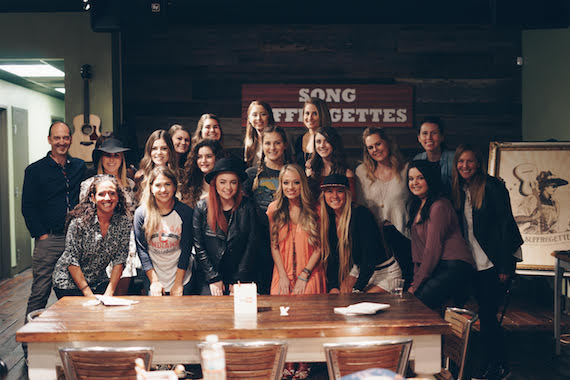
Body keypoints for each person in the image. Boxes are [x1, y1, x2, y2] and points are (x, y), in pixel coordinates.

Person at [452, 144, 523, 380]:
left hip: (494, 263)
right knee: (483, 316)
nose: (465, 166)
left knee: (489, 316)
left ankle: (500, 365)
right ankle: (487, 362)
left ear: (478, 163)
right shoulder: (460, 189)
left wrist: (504, 266)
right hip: (473, 263)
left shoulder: (492, 186)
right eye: (461, 161)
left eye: (470, 161)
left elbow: (505, 226)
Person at [22, 120, 86, 321]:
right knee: (40, 292)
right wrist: (41, 235)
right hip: (49, 239)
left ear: (71, 139)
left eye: (65, 137)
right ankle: (29, 347)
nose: (61, 142)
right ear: (49, 140)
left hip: (75, 239)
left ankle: (74, 338)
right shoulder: (34, 170)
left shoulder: (79, 166)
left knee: (76, 290)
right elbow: (28, 206)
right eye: (57, 137)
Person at [267, 164, 325, 379]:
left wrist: (304, 274)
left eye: (296, 182)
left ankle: (304, 362)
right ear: (280, 185)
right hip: (282, 270)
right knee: (282, 315)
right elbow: (273, 245)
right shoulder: (274, 209)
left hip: (309, 269)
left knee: (305, 314)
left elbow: (320, 247)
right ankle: (287, 360)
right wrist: (282, 274)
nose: (291, 187)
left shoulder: (315, 209)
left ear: (303, 184)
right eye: (286, 183)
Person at [406, 160, 474, 310]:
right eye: (411, 179)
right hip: (439, 266)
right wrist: (415, 280)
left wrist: (417, 284)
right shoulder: (417, 206)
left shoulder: (439, 206)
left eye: (420, 178)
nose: (414, 183)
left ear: (430, 179)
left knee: (418, 303)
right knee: (415, 301)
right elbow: (418, 251)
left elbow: (432, 250)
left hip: (454, 266)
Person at [319, 174, 401, 293]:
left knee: (356, 305)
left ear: (347, 194)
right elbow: (333, 258)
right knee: (340, 297)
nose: (334, 196)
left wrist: (357, 289)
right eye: (329, 191)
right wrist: (333, 287)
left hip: (385, 273)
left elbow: (369, 257)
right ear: (324, 195)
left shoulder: (361, 214)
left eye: (340, 191)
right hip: (360, 271)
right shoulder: (330, 219)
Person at [52, 175, 131, 298]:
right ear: (93, 198)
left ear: (118, 197)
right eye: (102, 194)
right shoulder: (79, 223)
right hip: (68, 283)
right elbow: (71, 260)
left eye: (112, 193)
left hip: (98, 281)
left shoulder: (124, 223)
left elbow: (120, 259)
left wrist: (109, 293)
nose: (107, 198)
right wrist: (87, 293)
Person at [355, 127, 413, 288]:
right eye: (370, 147)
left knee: (405, 290)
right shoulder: (361, 172)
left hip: (404, 239)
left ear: (388, 143)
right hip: (376, 243)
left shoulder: (406, 169)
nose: (375, 150)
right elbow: (360, 209)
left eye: (378, 144)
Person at [79, 138, 138, 295]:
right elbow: (85, 218)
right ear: (101, 158)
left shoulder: (130, 185)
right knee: (99, 294)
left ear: (122, 159)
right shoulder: (88, 184)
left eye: (116, 155)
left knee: (121, 294)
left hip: (125, 243)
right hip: (98, 243)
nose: (112, 160)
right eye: (107, 155)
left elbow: (133, 216)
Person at [192, 157, 257, 295]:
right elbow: (199, 246)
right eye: (223, 182)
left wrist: (239, 279)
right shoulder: (202, 207)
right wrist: (213, 277)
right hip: (211, 275)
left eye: (233, 182)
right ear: (215, 184)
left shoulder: (248, 206)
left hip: (241, 273)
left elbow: (251, 245)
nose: (228, 187)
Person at [244, 126, 293, 294]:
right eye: (268, 143)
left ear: (285, 145)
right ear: (262, 145)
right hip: (259, 242)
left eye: (277, 143)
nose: (272, 148)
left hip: (287, 239)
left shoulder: (293, 172)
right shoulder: (251, 174)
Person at [134, 166, 196, 296]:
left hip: (182, 277)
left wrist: (178, 283)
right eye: (158, 185)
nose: (163, 190)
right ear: (151, 188)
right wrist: (154, 281)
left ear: (174, 187)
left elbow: (186, 249)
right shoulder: (141, 213)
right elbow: (142, 251)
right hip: (154, 277)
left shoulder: (185, 212)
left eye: (167, 184)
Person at [306, 126, 355, 197]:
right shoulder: (311, 170)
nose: (322, 145)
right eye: (318, 142)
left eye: (327, 141)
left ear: (334, 143)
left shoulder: (346, 173)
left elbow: (352, 203)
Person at [413, 117, 455, 195]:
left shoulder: (454, 159)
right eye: (425, 133)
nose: (429, 137)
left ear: (442, 137)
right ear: (419, 138)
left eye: (434, 133)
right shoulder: (417, 159)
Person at [134, 130, 178, 201]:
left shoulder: (180, 175)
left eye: (164, 148)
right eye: (154, 148)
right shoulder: (140, 176)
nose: (159, 152)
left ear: (170, 151)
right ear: (149, 151)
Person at [180, 139, 224, 208]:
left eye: (209, 156)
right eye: (199, 157)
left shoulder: (225, 184)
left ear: (217, 158)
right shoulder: (191, 184)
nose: (203, 161)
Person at [294, 97, 332, 168]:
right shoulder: (299, 139)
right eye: (307, 113)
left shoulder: (331, 138)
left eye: (314, 113)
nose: (310, 118)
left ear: (322, 115)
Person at [243, 100, 275, 167]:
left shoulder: (278, 137)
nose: (259, 118)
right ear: (249, 118)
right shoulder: (249, 141)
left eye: (263, 114)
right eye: (254, 115)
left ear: (269, 116)